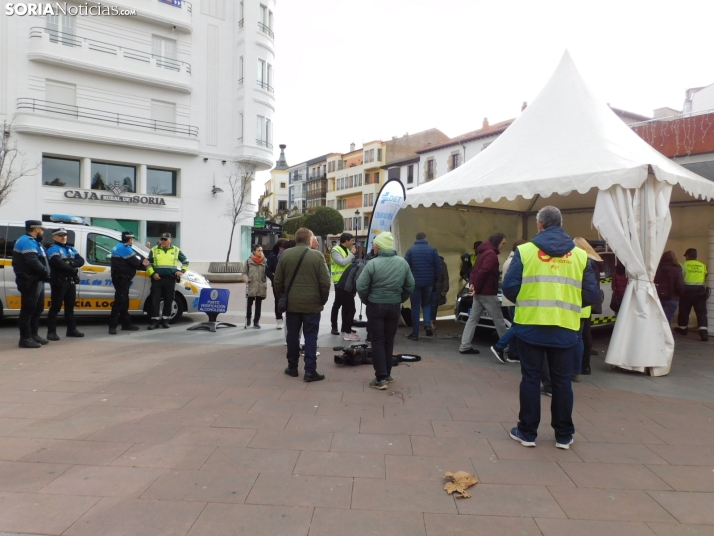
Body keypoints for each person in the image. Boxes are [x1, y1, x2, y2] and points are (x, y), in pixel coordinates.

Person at [503, 206, 599, 450]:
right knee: (561, 382)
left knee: (531, 379)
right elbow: (591, 294)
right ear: (561, 223)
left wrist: (528, 301)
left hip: (530, 325)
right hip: (565, 327)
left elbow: (509, 287)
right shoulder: (580, 255)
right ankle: (564, 435)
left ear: (539, 224)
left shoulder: (524, 251)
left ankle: (527, 432)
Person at [357, 232, 415, 390]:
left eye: (375, 245)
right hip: (394, 305)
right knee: (389, 340)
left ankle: (380, 377)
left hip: (376, 305)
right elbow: (410, 285)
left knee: (377, 340)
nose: (373, 247)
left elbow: (361, 286)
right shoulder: (402, 263)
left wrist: (366, 300)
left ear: (379, 247)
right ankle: (387, 374)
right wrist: (400, 299)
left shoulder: (373, 264)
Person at [274, 227, 331, 382]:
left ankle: (292, 367)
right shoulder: (317, 256)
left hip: (292, 304)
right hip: (312, 304)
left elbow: (277, 281)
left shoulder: (285, 255)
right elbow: (325, 283)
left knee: (292, 335)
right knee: (310, 336)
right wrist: (322, 300)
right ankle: (310, 371)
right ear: (309, 239)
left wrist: (283, 298)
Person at [459, 233, 508, 355]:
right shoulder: (491, 254)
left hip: (480, 292)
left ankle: (464, 345)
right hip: (487, 292)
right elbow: (484, 271)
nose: (503, 246)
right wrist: (477, 286)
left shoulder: (482, 252)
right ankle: (507, 346)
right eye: (503, 243)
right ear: (497, 242)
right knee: (499, 321)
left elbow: (475, 271)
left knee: (472, 319)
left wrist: (473, 284)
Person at [12, 220, 51, 348]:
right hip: (29, 281)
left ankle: (33, 335)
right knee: (28, 310)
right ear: (37, 229)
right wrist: (46, 272)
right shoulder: (27, 241)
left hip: (37, 281)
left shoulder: (34, 242)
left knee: (37, 309)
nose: (43, 232)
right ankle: (25, 338)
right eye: (42, 229)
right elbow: (32, 261)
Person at [490, 239, 528, 363]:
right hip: (515, 300)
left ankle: (513, 353)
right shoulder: (515, 261)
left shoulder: (509, 260)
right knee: (518, 327)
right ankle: (499, 346)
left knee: (515, 326)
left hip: (510, 299)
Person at [46, 228, 85, 340]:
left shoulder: (71, 249)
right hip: (59, 281)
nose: (63, 237)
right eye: (60, 235)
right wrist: (72, 268)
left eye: (65, 235)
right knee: (56, 307)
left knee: (70, 306)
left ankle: (71, 330)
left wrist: (70, 262)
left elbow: (81, 261)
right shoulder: (53, 249)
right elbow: (58, 264)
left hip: (70, 281)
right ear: (54, 237)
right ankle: (51, 332)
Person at [572, 237, 603, 378]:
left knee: (578, 338)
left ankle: (579, 367)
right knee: (584, 336)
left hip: (579, 303)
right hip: (586, 304)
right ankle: (583, 367)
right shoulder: (594, 260)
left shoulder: (583, 260)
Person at [146, 233, 189, 330]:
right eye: (162, 239)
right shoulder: (154, 249)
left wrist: (182, 271)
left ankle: (166, 320)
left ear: (170, 240)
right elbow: (148, 264)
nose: (163, 241)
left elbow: (186, 262)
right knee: (154, 300)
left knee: (169, 300)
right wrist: (153, 274)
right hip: (157, 279)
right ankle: (155, 321)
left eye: (165, 239)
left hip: (170, 279)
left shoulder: (176, 250)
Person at [109, 231, 149, 334]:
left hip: (120, 278)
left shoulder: (119, 246)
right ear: (129, 239)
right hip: (122, 279)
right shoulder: (125, 249)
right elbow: (136, 262)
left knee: (124, 301)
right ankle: (112, 326)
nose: (133, 241)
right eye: (132, 239)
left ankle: (126, 324)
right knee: (119, 302)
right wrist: (143, 263)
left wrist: (140, 262)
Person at [404, 232, 440, 340]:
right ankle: (427, 325)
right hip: (428, 283)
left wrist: (408, 281)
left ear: (416, 238)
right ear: (425, 238)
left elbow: (405, 267)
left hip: (414, 283)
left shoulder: (410, 250)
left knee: (415, 307)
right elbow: (438, 267)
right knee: (427, 304)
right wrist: (434, 280)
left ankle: (415, 333)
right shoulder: (432, 250)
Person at [330, 232, 359, 341]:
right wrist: (351, 254)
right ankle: (334, 326)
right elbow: (342, 262)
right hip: (339, 282)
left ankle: (345, 327)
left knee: (346, 306)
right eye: (351, 240)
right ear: (346, 240)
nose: (353, 242)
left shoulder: (346, 250)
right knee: (337, 304)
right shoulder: (335, 250)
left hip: (348, 282)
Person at [676, 248, 709, 341]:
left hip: (686, 291)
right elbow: (705, 277)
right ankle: (703, 333)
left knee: (684, 310)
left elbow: (679, 278)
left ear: (687, 256)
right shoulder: (703, 265)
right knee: (701, 312)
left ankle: (683, 329)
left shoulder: (682, 265)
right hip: (700, 292)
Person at [655, 250, 685, 326]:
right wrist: (680, 294)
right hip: (672, 298)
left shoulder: (657, 268)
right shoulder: (677, 269)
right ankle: (665, 337)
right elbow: (680, 285)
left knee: (656, 320)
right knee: (666, 321)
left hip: (657, 298)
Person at [245, 244, 267, 329]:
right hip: (251, 285)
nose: (261, 252)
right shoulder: (248, 261)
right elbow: (244, 273)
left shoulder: (265, 261)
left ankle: (256, 321)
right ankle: (248, 318)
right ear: (254, 251)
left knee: (258, 305)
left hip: (261, 286)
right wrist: (246, 279)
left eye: (261, 250)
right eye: (259, 250)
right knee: (249, 303)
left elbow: (268, 272)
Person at [266, 239, 286, 330]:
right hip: (277, 283)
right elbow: (268, 270)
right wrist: (274, 279)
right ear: (279, 247)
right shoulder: (272, 255)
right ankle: (279, 319)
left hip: (287, 282)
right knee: (278, 300)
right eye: (283, 247)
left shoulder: (288, 255)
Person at [429, 255, 449, 331]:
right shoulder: (440, 263)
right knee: (431, 305)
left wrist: (445, 289)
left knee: (433, 305)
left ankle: (431, 321)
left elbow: (445, 277)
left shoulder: (442, 264)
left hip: (436, 289)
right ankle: (430, 322)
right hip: (430, 288)